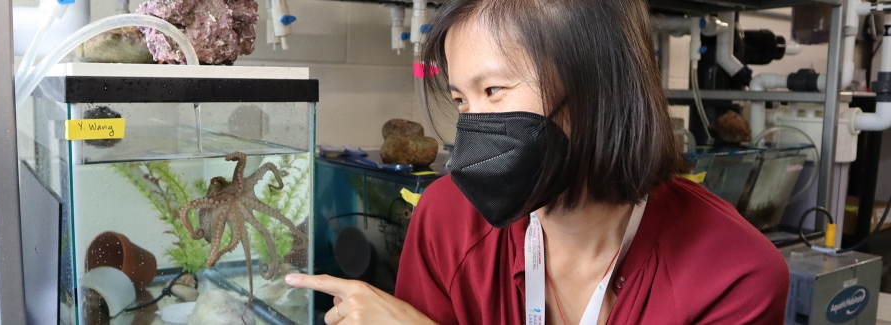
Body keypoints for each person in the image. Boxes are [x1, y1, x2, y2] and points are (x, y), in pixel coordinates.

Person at [285, 0, 790, 324]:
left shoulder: (736, 276)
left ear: (601, 88)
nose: (472, 132)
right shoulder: (447, 217)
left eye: (495, 91)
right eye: (462, 101)